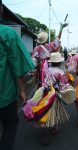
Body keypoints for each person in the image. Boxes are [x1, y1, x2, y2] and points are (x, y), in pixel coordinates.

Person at [0, 2, 35, 150]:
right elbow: (17, 65)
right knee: (9, 125)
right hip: (4, 93)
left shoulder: (39, 48)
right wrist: (22, 89)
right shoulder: (7, 33)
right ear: (1, 9)